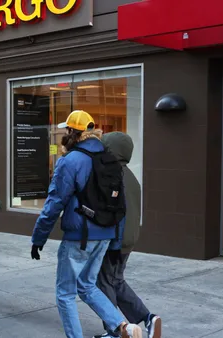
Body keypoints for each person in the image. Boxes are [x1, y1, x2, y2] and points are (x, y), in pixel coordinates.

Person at [30, 111, 143, 338]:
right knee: (88, 286)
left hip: (79, 237)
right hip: (105, 234)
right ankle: (124, 327)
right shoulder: (109, 157)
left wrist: (38, 238)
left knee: (65, 293)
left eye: (66, 130)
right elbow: (119, 203)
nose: (64, 134)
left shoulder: (70, 161)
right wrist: (114, 237)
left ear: (73, 132)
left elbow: (54, 203)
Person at [94, 132, 161, 338]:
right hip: (128, 239)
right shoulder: (130, 176)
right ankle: (147, 318)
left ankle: (114, 330)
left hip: (114, 240)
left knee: (104, 282)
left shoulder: (110, 175)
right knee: (116, 280)